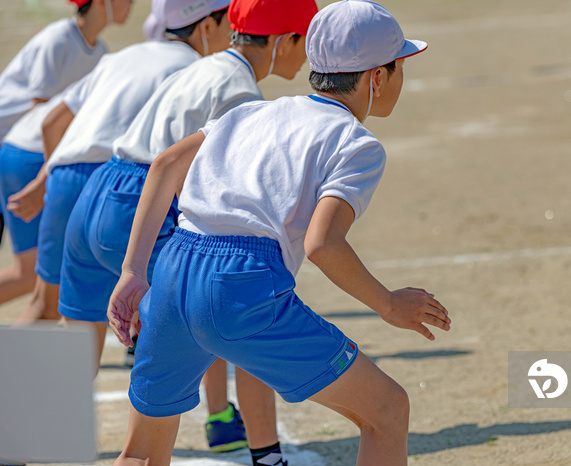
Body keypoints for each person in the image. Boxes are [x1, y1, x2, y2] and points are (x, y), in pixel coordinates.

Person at [107, 1, 451, 464]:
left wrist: (133, 271)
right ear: (376, 77)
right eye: (400, 65)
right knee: (388, 409)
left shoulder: (251, 112)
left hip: (173, 268)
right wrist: (387, 303)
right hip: (240, 284)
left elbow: (165, 165)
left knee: (143, 453)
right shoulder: (356, 144)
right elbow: (322, 243)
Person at [58, 0, 317, 457]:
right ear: (283, 42)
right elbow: (180, 174)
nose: (310, 55)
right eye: (306, 39)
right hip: (142, 200)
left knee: (76, 353)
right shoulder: (241, 94)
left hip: (98, 191)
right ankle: (257, 446)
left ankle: (12, 440)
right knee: (233, 311)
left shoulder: (205, 66)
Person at [9, 0, 231, 327]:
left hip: (67, 178)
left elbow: (52, 123)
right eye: (229, 21)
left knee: (47, 307)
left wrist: (45, 183)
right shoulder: (199, 69)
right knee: (179, 317)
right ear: (206, 25)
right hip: (124, 186)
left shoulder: (124, 55)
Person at [0, 0, 127, 308]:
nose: (133, 5)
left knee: (36, 275)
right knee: (31, 274)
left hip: (27, 154)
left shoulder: (100, 52)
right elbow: (40, 116)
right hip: (22, 152)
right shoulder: (59, 39)